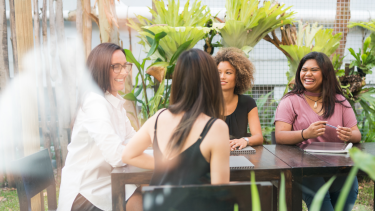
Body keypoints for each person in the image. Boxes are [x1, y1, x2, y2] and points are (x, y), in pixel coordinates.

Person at [122, 49, 230, 208]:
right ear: (211, 81)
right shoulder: (216, 127)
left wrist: (167, 163)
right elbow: (220, 192)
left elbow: (128, 155)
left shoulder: (158, 118)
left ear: (178, 81)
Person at [58, 43, 141, 211]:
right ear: (101, 69)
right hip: (84, 195)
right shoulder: (95, 102)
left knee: (143, 194)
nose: (124, 72)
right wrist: (155, 161)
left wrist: (128, 147)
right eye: (116, 67)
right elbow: (116, 155)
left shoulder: (113, 102)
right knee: (141, 198)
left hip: (105, 184)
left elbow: (133, 139)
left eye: (125, 66)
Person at [274, 52, 360, 211]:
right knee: (323, 206)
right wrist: (305, 134)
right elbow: (280, 136)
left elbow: (356, 134)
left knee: (346, 197)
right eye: (304, 69)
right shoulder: (290, 101)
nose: (307, 74)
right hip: (306, 168)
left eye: (314, 70)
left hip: (339, 167)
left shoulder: (339, 101)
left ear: (326, 73)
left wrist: (349, 135)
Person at [214, 47, 263, 150]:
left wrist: (245, 140)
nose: (222, 77)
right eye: (218, 72)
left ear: (238, 77)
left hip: (240, 154)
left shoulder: (248, 103)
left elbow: (258, 137)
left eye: (228, 73)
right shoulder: (205, 102)